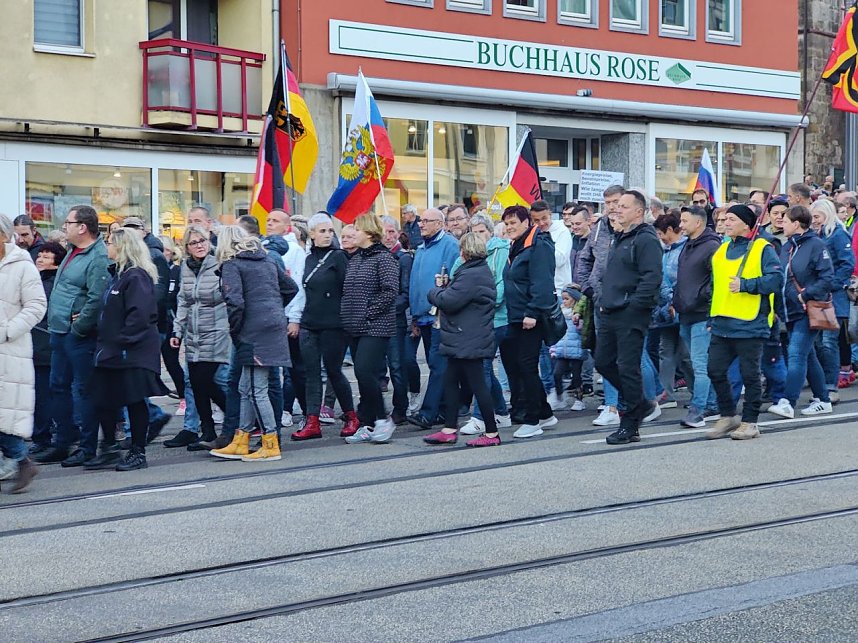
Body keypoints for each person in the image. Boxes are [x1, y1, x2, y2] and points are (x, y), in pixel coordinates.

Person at [210, 226, 298, 462]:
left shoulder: (231, 264)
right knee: (244, 387)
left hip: (252, 330)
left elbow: (235, 301)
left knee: (257, 389)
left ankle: (270, 441)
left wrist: (235, 329)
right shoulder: (267, 260)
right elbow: (291, 287)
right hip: (272, 325)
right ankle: (242, 437)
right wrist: (273, 307)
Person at [84, 229, 168, 471]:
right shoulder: (118, 276)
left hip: (130, 351)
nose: (107, 247)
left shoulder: (136, 277)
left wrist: (121, 341)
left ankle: (137, 452)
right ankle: (109, 447)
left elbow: (140, 316)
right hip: (111, 350)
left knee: (134, 400)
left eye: (110, 243)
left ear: (122, 248)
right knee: (103, 399)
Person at [34, 205, 109, 466]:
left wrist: (78, 328)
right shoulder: (72, 251)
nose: (64, 226)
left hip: (77, 335)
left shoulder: (97, 256)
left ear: (82, 227)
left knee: (82, 390)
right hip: (59, 330)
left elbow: (96, 298)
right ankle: (63, 442)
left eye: (68, 222)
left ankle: (87, 447)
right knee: (58, 387)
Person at [706, 204, 783, 440]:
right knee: (714, 370)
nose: (725, 222)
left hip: (750, 323)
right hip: (722, 322)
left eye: (730, 219)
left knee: (750, 375)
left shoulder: (762, 248)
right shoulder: (722, 248)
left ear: (746, 224)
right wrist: (711, 315)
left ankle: (750, 422)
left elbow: (776, 280)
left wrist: (746, 285)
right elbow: (715, 285)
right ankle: (728, 415)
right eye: (723, 219)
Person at [595, 190, 663, 445]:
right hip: (611, 310)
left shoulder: (646, 239)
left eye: (623, 206)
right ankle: (640, 403)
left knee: (627, 367)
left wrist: (635, 306)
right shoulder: (620, 237)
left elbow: (651, 277)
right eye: (616, 206)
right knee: (603, 362)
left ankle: (630, 423)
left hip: (630, 313)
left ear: (638, 211)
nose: (617, 209)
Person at [424, 232, 499, 447]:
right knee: (450, 381)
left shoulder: (472, 274)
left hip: (468, 337)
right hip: (464, 336)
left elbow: (449, 301)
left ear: (464, 251)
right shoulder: (476, 271)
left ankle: (492, 433)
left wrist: (435, 291)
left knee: (478, 385)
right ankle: (449, 428)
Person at [291, 213, 359, 440]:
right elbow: (300, 291)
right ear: (311, 234)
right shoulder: (307, 258)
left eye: (330, 231)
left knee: (333, 371)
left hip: (334, 324)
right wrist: (295, 318)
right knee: (310, 373)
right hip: (310, 323)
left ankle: (351, 416)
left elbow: (349, 291)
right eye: (322, 231)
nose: (327, 235)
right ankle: (312, 421)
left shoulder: (338, 257)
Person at [767, 205, 835, 419]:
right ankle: (823, 400)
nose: (781, 222)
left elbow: (827, 278)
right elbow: (781, 279)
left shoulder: (816, 245)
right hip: (790, 311)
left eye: (785, 220)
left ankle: (788, 401)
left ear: (796, 224)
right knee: (809, 356)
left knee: (796, 354)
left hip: (808, 310)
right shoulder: (787, 247)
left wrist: (805, 295)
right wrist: (777, 307)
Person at [167, 225, 231, 450]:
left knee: (206, 379)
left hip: (217, 329)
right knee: (195, 382)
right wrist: (177, 331)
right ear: (186, 247)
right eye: (194, 242)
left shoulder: (219, 264)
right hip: (194, 332)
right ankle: (208, 429)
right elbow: (183, 301)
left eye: (202, 240)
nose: (200, 245)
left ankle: (235, 420)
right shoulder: (185, 266)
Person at [339, 214, 400, 444]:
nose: (352, 233)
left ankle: (383, 419)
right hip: (354, 326)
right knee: (362, 375)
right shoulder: (355, 259)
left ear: (367, 232)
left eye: (356, 229)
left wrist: (368, 312)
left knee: (365, 371)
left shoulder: (383, 258)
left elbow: (389, 291)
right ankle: (368, 423)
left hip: (376, 326)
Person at [500, 205, 558, 438]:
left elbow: (542, 282)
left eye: (513, 223)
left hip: (530, 317)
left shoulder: (539, 245)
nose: (509, 227)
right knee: (517, 364)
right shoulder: (516, 245)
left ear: (527, 223)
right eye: (506, 224)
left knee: (527, 366)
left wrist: (532, 313)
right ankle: (545, 413)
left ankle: (533, 419)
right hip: (515, 316)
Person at [0, 213, 47, 492]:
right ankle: (19, 460)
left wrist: (8, 330)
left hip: (9, 349)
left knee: (5, 413)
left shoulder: (21, 265)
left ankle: (20, 459)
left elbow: (36, 306)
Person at [455, 214, 511, 435]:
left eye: (481, 232)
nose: (478, 236)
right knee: (484, 369)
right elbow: (455, 281)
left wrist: (473, 299)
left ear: (489, 231)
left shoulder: (501, 251)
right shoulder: (463, 256)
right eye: (474, 232)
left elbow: (498, 290)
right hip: (473, 321)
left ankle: (480, 417)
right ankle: (501, 412)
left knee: (483, 368)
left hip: (497, 320)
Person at [407, 208, 460, 429]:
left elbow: (453, 278)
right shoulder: (421, 248)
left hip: (440, 314)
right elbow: (415, 283)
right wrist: (414, 315)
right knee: (436, 364)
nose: (421, 224)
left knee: (439, 365)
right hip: (423, 316)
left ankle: (428, 413)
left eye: (426, 221)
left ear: (439, 223)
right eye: (421, 221)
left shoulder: (449, 245)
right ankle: (444, 410)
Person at [577, 185, 623, 426]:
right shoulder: (598, 229)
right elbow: (585, 259)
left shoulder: (634, 229)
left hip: (624, 304)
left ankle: (641, 401)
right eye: (608, 203)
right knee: (605, 355)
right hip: (599, 301)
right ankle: (612, 404)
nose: (612, 207)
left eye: (616, 201)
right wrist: (588, 287)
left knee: (632, 357)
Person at [673, 206, 721, 428]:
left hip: (702, 313)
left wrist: (707, 305)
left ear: (698, 223)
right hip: (686, 312)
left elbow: (716, 281)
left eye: (684, 221)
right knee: (695, 363)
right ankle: (711, 403)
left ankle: (698, 409)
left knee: (700, 364)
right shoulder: (688, 246)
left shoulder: (711, 246)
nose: (680, 225)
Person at [809, 199, 855, 394]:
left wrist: (832, 284)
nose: (814, 220)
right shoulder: (819, 234)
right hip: (820, 295)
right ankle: (824, 383)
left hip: (833, 297)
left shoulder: (838, 234)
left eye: (817, 217)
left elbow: (847, 264)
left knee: (828, 342)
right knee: (820, 342)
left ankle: (830, 385)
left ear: (827, 214)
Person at [29, 241, 67, 455]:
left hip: (45, 346)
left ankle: (44, 436)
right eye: (40, 255)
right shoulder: (39, 280)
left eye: (46, 256)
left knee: (45, 395)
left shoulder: (50, 284)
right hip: (38, 346)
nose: (40, 259)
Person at [652, 213, 691, 408]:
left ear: (669, 230)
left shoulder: (685, 249)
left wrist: (675, 301)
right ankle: (666, 392)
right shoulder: (664, 251)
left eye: (661, 233)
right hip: (666, 310)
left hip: (682, 308)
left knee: (685, 354)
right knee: (665, 350)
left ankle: (697, 392)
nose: (660, 237)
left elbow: (685, 278)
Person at [381, 215, 415, 425]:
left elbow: (405, 293)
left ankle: (400, 407)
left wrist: (386, 309)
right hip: (376, 321)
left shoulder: (403, 258)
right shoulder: (374, 256)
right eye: (384, 231)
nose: (388, 235)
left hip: (394, 320)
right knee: (376, 367)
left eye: (392, 231)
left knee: (397, 366)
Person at [550, 286, 586, 411]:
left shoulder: (579, 315)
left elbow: (583, 331)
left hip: (576, 350)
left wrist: (579, 321)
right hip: (562, 350)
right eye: (563, 299)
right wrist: (554, 347)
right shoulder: (559, 313)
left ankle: (579, 399)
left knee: (576, 376)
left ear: (574, 299)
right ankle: (560, 397)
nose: (564, 301)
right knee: (557, 374)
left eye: (567, 299)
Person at [159, 234, 185, 403]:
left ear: (168, 251)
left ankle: (184, 394)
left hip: (173, 320)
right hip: (160, 320)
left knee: (171, 359)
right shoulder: (157, 270)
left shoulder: (176, 270)